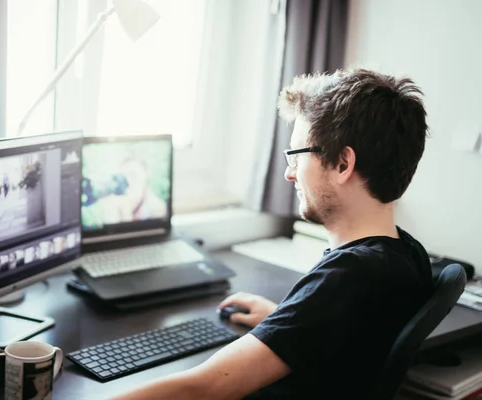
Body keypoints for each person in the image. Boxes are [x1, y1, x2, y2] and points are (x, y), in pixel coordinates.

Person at [110, 68, 433, 400]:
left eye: (296, 155)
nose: (289, 173)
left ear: (342, 165)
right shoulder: (407, 254)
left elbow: (203, 388)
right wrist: (285, 320)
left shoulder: (350, 276)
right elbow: (349, 336)